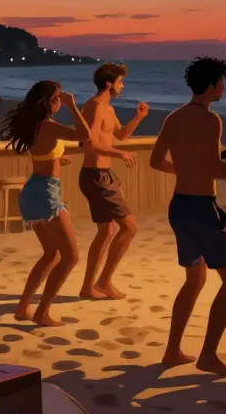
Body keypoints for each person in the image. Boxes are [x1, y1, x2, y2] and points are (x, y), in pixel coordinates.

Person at [149, 57, 226, 374]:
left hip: (179, 205)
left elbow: (155, 160)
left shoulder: (173, 117)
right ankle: (208, 355)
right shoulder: (210, 120)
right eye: (221, 83)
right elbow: (214, 167)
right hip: (202, 208)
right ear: (211, 85)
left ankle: (172, 351)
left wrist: (184, 170)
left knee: (195, 279)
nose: (224, 88)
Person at [4, 81, 94, 327]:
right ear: (48, 102)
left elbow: (43, 153)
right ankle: (42, 311)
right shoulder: (49, 125)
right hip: (45, 193)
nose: (60, 100)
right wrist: (73, 106)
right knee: (70, 256)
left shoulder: (34, 125)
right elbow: (85, 136)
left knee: (51, 253)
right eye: (57, 98)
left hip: (33, 191)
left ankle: (23, 306)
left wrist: (57, 158)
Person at [78, 62, 146, 300]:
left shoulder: (108, 109)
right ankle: (104, 281)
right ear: (109, 83)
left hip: (102, 176)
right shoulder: (95, 107)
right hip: (96, 177)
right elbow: (91, 143)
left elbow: (120, 135)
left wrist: (138, 118)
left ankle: (88, 287)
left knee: (107, 231)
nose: (122, 85)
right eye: (119, 81)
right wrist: (119, 154)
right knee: (129, 227)